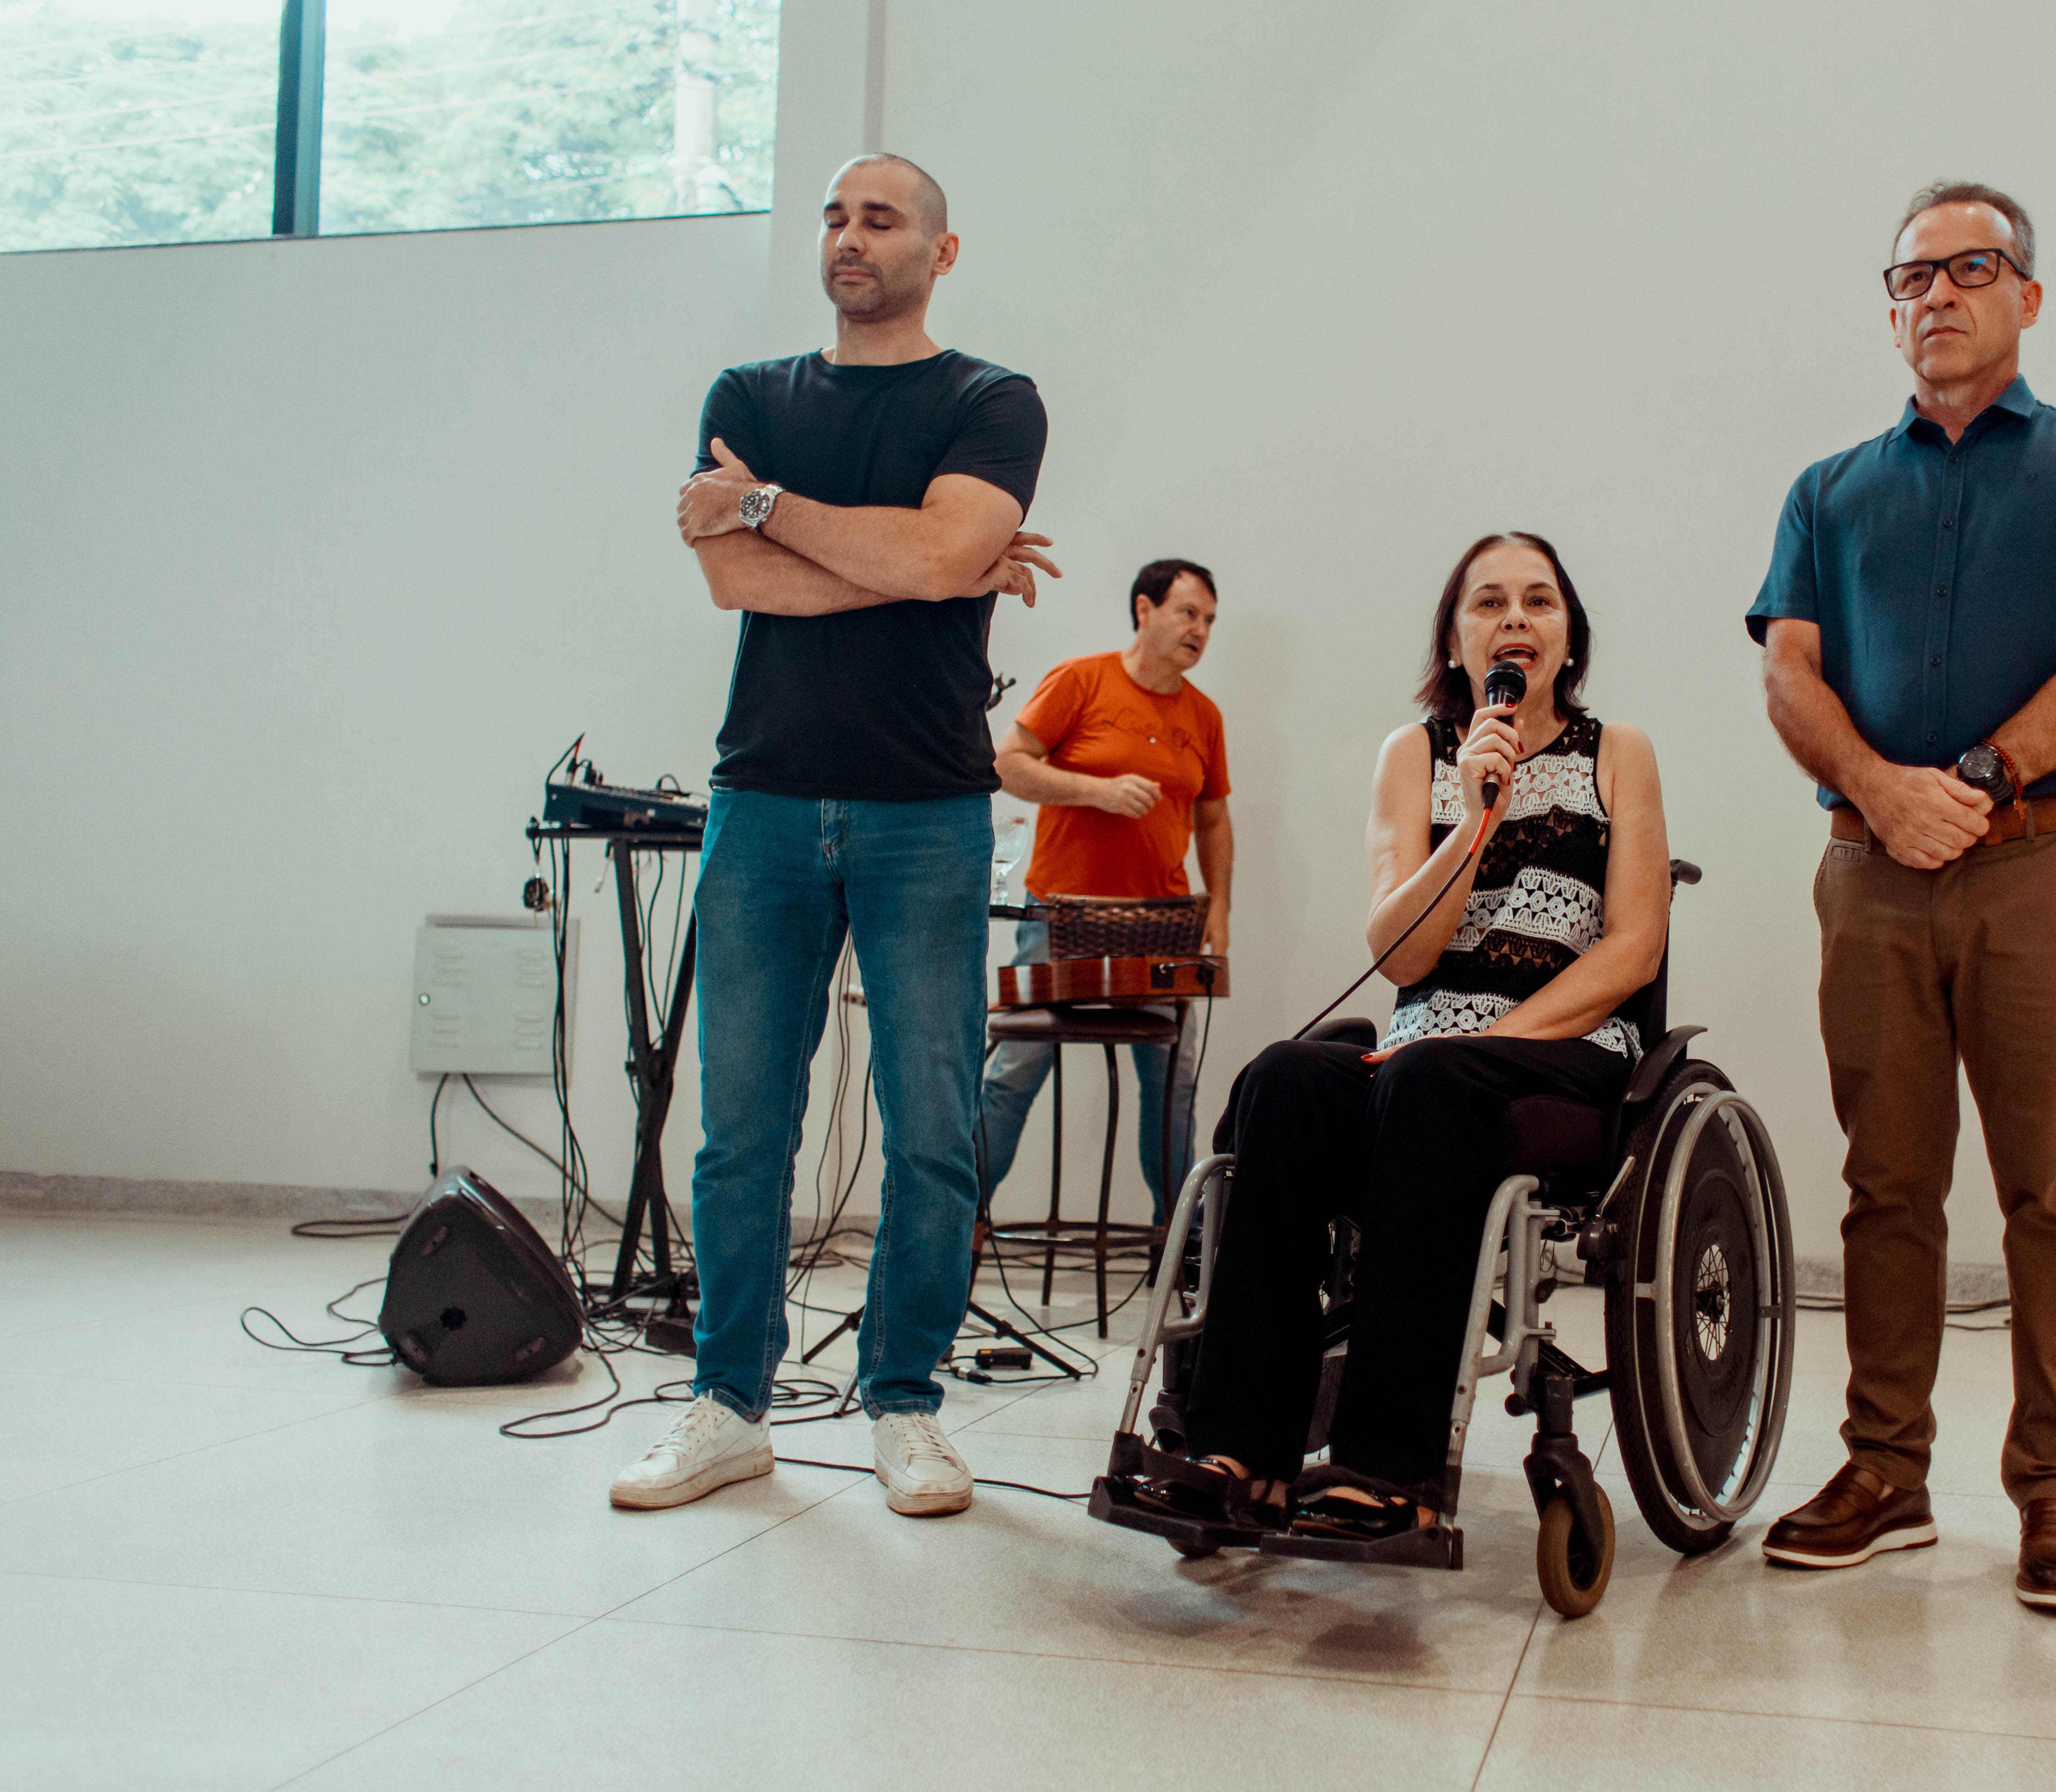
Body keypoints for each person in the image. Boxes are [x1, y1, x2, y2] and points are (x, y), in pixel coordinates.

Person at [1749, 181, 2056, 1611]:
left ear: (2028, 296)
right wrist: (1880, 793)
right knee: (1885, 1183)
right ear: (1889, 311)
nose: (1936, 294)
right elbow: (1787, 671)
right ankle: (1883, 1471)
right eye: (1910, 277)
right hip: (1867, 875)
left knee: (2050, 1183)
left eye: (1970, 267)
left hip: (2041, 866)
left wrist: (1981, 774)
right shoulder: (1826, 491)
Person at [610, 152, 1061, 1518]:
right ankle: (727, 1404)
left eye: (880, 218)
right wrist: (930, 563)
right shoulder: (748, 396)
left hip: (929, 807)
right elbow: (736, 584)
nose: (849, 237)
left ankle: (904, 1404)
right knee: (742, 1131)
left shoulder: (989, 400)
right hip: (763, 796)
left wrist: (770, 509)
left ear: (942, 251)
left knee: (930, 1130)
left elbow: (914, 556)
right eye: (834, 217)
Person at [1122, 532, 1668, 1538]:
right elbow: (1401, 955)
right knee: (1284, 1078)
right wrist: (1475, 821)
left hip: (1563, 1053)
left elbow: (1634, 949)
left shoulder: (1618, 752)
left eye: (1539, 601)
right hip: (1416, 1056)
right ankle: (1238, 1450)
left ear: (1568, 636)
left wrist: (1486, 1041)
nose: (1515, 618)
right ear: (1455, 641)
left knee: (1430, 1080)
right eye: (1489, 602)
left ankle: (1389, 1467)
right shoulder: (1414, 755)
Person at [981, 559, 1233, 1224]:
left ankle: (1178, 1244)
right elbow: (1006, 764)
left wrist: (1221, 908)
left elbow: (1213, 819)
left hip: (1162, 927)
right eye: (1188, 613)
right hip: (1057, 919)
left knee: (1174, 1086)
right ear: (1145, 609)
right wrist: (1098, 791)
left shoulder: (1204, 715)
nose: (1200, 630)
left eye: (1209, 620)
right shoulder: (1081, 680)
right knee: (1013, 1074)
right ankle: (960, 1226)